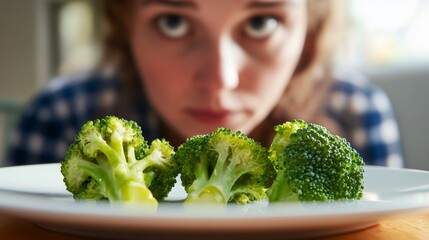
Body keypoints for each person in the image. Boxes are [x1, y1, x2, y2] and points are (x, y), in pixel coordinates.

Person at [6, 0, 403, 167]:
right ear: (125, 24)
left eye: (260, 23)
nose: (220, 79)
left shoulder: (356, 114)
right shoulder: (60, 118)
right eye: (173, 22)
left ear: (310, 30)